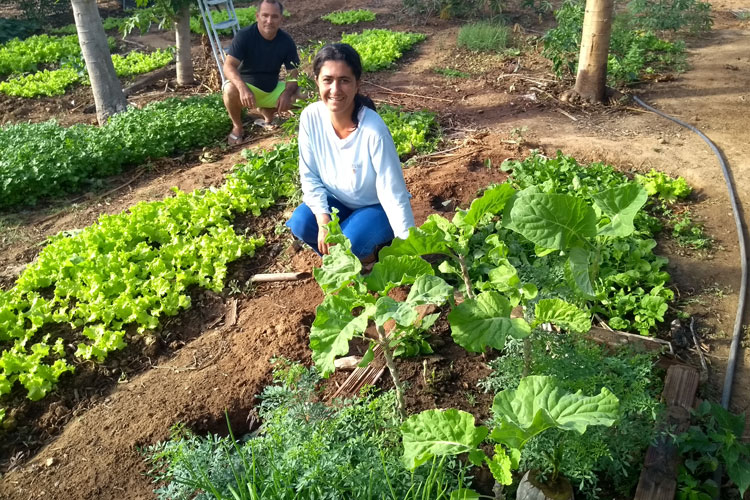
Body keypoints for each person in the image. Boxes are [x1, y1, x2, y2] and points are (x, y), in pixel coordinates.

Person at [286, 43, 415, 262]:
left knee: (351, 242)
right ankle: (345, 262)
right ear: (317, 81)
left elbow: (393, 193)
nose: (335, 89)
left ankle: (371, 255)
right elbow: (309, 176)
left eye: (344, 80)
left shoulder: (373, 130)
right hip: (338, 202)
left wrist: (410, 250)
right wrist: (323, 221)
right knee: (301, 221)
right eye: (328, 80)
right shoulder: (310, 118)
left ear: (357, 85)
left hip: (375, 206)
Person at [222, 0, 300, 145]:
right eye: (265, 15)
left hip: (272, 90)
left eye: (274, 16)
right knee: (229, 89)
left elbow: (293, 73)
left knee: (306, 94)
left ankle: (267, 110)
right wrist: (242, 88)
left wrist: (287, 93)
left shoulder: (286, 41)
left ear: (281, 19)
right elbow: (228, 66)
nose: (269, 21)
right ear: (257, 16)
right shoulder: (244, 36)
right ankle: (237, 127)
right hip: (247, 90)